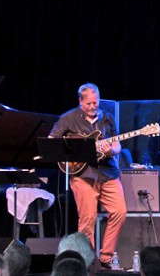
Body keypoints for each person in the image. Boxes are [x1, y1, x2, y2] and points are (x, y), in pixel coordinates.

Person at [48, 83, 127, 270]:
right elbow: (52, 142)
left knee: (120, 211)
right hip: (83, 174)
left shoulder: (107, 117)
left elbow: (117, 145)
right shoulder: (68, 118)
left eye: (96, 102)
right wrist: (74, 148)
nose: (93, 106)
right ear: (80, 101)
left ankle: (106, 257)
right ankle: (87, 262)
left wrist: (111, 151)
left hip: (107, 172)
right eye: (89, 103)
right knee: (88, 220)